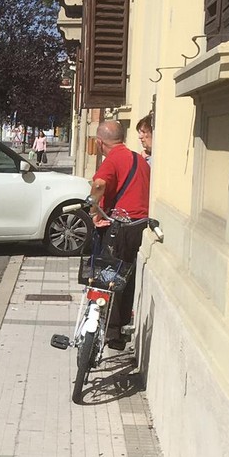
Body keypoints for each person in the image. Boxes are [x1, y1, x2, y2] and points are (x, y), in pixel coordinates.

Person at [88, 118, 151, 349]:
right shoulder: (139, 160)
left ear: (99, 142)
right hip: (140, 226)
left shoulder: (113, 158)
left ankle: (111, 332)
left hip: (121, 227)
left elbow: (99, 184)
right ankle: (123, 325)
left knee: (110, 276)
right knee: (127, 277)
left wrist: (94, 210)